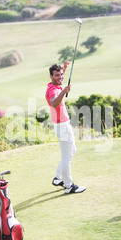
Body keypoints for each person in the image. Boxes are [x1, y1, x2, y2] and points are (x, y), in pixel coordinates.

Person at [45, 62, 86, 194]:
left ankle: (58, 178)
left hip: (63, 124)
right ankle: (69, 186)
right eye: (57, 75)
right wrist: (64, 91)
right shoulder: (52, 90)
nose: (60, 77)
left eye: (61, 75)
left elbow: (60, 80)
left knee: (71, 150)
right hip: (62, 125)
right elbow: (54, 103)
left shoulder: (55, 84)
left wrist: (65, 68)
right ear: (51, 76)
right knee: (67, 155)